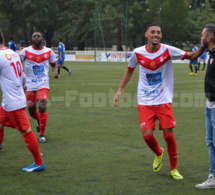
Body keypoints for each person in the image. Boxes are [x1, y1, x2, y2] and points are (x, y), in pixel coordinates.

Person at [114, 24, 205, 180]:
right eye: (153, 32)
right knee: (148, 137)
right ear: (147, 35)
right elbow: (130, 70)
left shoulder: (168, 50)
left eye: (158, 33)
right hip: (144, 100)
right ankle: (159, 153)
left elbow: (192, 56)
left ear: (161, 36)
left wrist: (205, 45)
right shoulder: (137, 53)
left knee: (169, 136)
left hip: (163, 100)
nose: (155, 35)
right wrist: (120, 90)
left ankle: (174, 168)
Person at [0, 30, 45, 172]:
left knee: (26, 132)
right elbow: (23, 78)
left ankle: (39, 163)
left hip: (13, 103)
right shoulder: (13, 53)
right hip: (10, 100)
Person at [20, 32, 59, 143]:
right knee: (31, 110)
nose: (36, 37)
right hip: (30, 84)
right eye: (34, 36)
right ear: (32, 39)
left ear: (42, 38)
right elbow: (17, 62)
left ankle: (42, 135)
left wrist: (55, 72)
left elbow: (53, 64)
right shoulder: (25, 51)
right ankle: (38, 120)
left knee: (42, 105)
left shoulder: (48, 51)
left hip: (43, 83)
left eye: (38, 36)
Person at [195, 23, 215, 189]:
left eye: (202, 36)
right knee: (210, 141)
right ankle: (213, 176)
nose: (201, 38)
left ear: (208, 38)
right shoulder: (211, 54)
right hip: (210, 105)